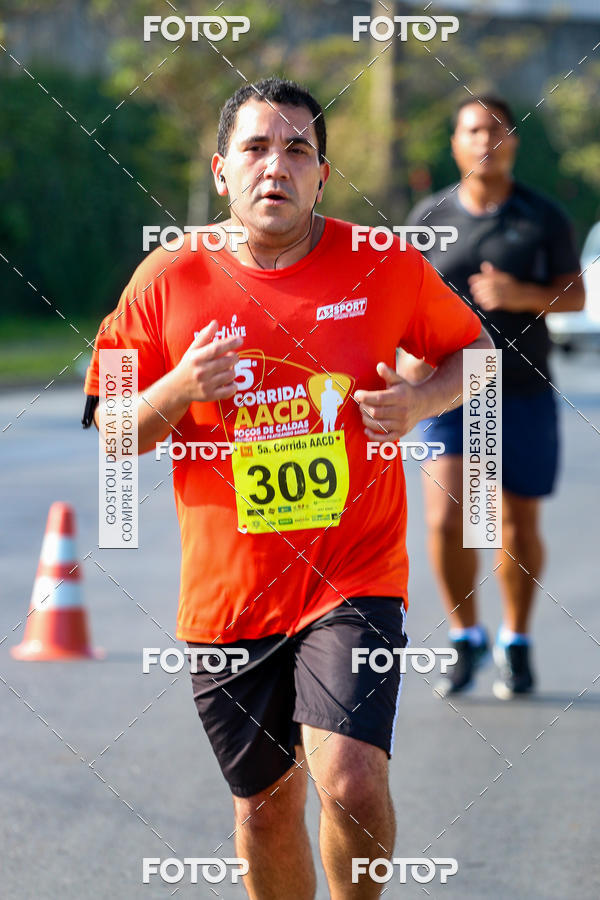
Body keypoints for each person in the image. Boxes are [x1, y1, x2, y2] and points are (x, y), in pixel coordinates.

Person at [82, 77, 492, 899]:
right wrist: (181, 388)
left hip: (355, 574)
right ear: (222, 171)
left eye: (298, 148)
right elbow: (113, 431)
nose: (277, 165)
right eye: (256, 149)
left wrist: (418, 400)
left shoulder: (382, 263)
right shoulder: (167, 277)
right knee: (266, 811)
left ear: (321, 175)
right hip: (228, 599)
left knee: (352, 779)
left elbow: (475, 358)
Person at [401, 95, 584, 700]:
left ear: (513, 142)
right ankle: (465, 637)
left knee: (515, 523)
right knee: (448, 518)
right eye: (473, 130)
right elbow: (402, 306)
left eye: (497, 131)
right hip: (451, 393)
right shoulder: (428, 218)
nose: (485, 140)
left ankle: (516, 639)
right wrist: (403, 367)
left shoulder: (543, 216)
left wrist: (521, 293)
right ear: (455, 142)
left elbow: (576, 297)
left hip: (525, 390)